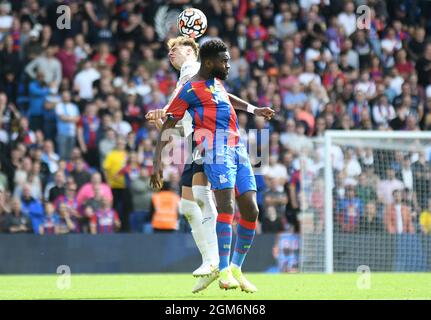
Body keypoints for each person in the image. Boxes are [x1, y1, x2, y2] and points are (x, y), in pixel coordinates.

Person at [146, 36, 273, 292]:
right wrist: (157, 164)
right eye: (224, 62)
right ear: (210, 61)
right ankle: (221, 269)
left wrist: (254, 109)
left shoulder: (215, 83)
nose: (228, 66)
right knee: (223, 204)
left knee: (251, 210)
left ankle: (235, 267)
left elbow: (227, 97)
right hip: (214, 149)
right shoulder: (189, 89)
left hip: (238, 147)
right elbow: (169, 128)